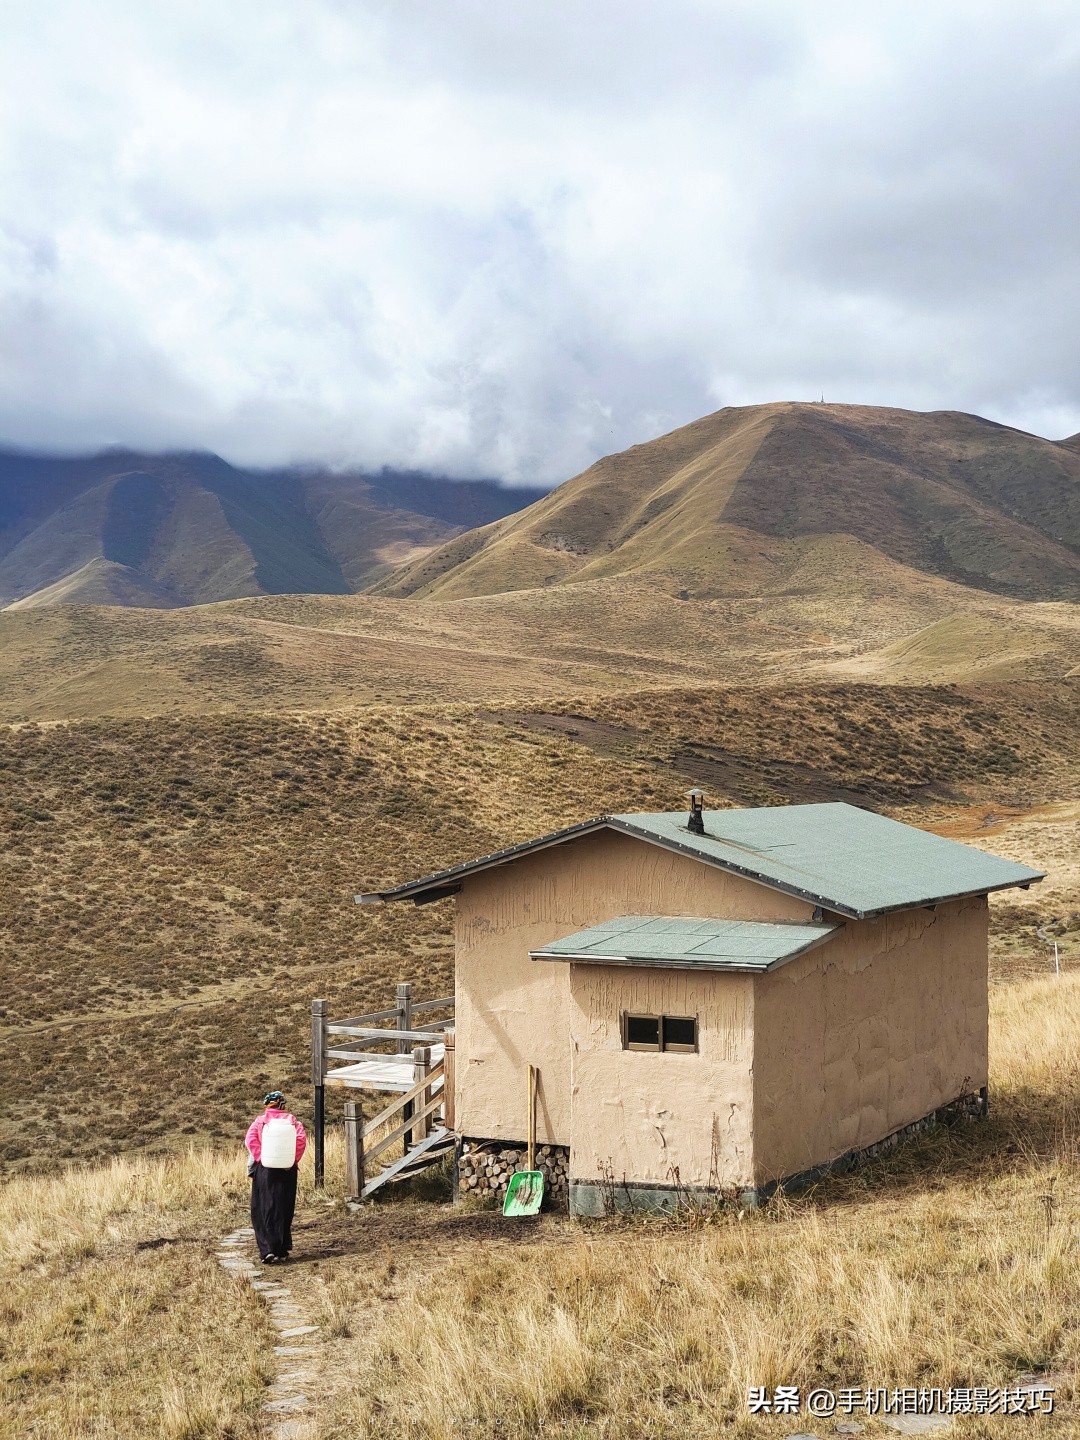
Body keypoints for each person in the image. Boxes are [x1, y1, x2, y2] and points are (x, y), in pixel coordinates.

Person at [245, 1090, 307, 1264]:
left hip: (266, 1171)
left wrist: (261, 1157)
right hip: (288, 1170)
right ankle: (281, 1248)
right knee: (284, 1207)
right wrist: (292, 1160)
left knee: (262, 1209)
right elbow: (301, 1141)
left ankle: (267, 1250)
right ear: (282, 1105)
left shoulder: (260, 1121)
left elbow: (250, 1139)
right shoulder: (293, 1121)